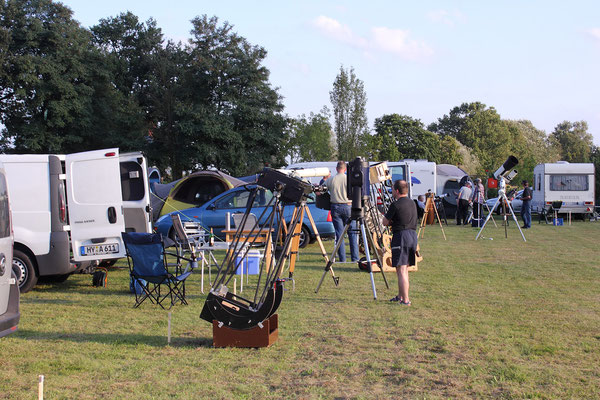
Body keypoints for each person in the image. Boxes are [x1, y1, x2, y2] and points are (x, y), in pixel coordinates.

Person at [382, 180, 417, 306]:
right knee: (403, 268)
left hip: (401, 236)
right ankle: (401, 295)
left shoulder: (395, 205)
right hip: (412, 235)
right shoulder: (412, 203)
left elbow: (384, 222)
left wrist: (390, 220)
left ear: (397, 191)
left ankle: (406, 300)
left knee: (402, 269)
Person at [325, 161, 358, 262]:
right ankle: (355, 259)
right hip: (348, 206)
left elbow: (320, 191)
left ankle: (342, 259)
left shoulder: (331, 179)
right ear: (345, 169)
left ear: (336, 168)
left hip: (335, 207)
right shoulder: (350, 179)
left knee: (339, 234)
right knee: (352, 233)